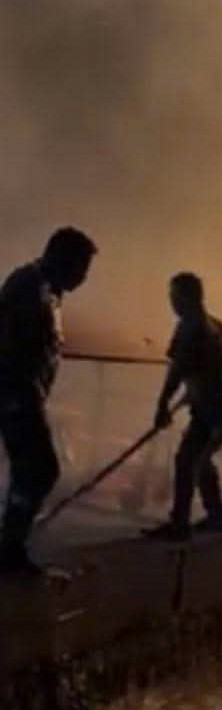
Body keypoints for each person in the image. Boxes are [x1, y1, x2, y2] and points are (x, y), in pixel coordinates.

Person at [0, 227, 96, 575]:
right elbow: (11, 344)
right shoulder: (31, 288)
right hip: (16, 391)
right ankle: (11, 547)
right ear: (61, 258)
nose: (83, 277)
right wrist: (16, 394)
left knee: (34, 470)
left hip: (25, 391)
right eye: (81, 267)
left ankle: (12, 543)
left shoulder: (44, 289)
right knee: (39, 469)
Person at [144, 273, 222, 541]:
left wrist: (162, 405)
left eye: (173, 297)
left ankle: (180, 525)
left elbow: (177, 371)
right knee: (199, 458)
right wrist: (195, 392)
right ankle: (217, 516)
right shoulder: (220, 327)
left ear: (184, 297)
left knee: (187, 460)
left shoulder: (190, 327)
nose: (171, 303)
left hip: (213, 407)